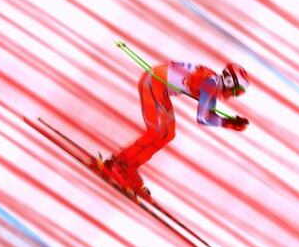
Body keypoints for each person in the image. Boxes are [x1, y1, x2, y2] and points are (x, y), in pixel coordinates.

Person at [98, 60, 250, 200]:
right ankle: (118, 164)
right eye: (237, 91)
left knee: (167, 134)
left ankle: (129, 166)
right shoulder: (211, 84)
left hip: (158, 86)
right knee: (158, 132)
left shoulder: (212, 82)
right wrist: (230, 123)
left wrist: (229, 121)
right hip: (153, 84)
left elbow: (206, 111)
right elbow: (204, 118)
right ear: (230, 82)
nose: (234, 96)